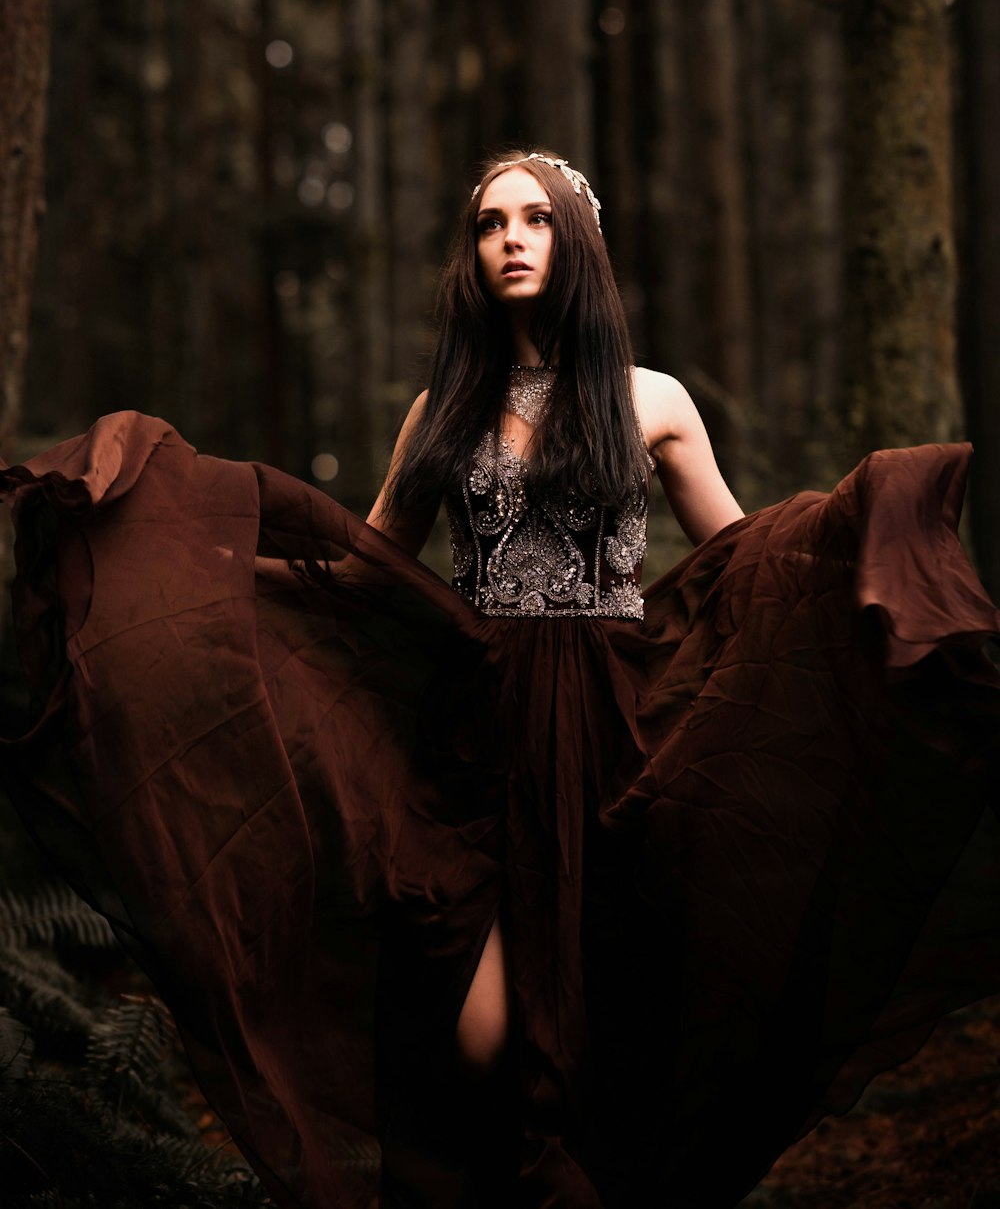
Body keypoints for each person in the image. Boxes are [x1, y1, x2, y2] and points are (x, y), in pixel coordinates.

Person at [2, 148, 1000, 1209]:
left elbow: (739, 562)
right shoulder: (444, 407)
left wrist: (868, 540)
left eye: (536, 218)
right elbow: (360, 572)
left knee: (607, 1015)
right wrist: (200, 573)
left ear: (578, 239)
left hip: (619, 723)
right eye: (489, 222)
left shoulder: (649, 399)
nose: (511, 238)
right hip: (474, 728)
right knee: (474, 1026)